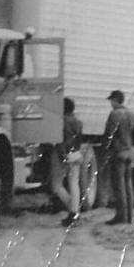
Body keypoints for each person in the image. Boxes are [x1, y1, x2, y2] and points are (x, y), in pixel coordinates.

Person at [104, 90, 134, 225]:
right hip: (130, 153)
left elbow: (109, 134)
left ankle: (121, 216)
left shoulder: (114, 114)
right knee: (128, 184)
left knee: (119, 185)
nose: (110, 103)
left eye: (111, 100)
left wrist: (107, 149)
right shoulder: (132, 114)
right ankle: (129, 216)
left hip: (118, 152)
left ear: (115, 100)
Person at [51, 97, 83, 227]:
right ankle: (74, 212)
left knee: (56, 185)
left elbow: (60, 140)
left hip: (62, 154)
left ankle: (72, 209)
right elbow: (79, 139)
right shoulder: (78, 122)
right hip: (76, 154)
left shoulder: (61, 122)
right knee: (74, 183)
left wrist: (62, 155)